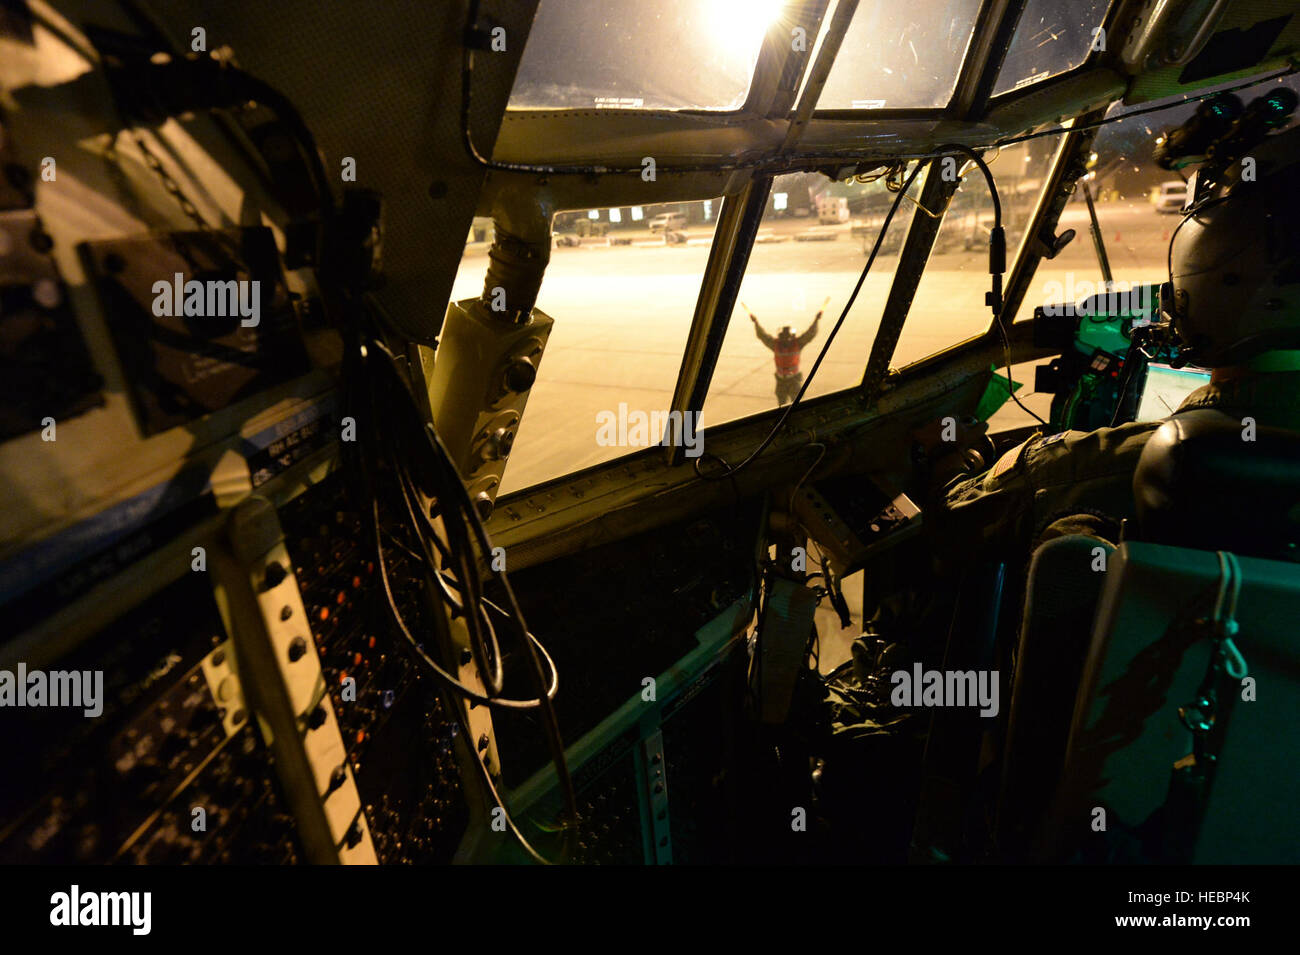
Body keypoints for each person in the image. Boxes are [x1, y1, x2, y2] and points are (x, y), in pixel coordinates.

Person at [745, 297, 829, 405]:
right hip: (781, 381)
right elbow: (762, 335)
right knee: (782, 405)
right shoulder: (788, 344)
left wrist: (817, 320)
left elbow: (811, 333)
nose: (785, 340)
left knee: (796, 404)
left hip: (793, 380)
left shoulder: (790, 344)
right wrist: (755, 322)